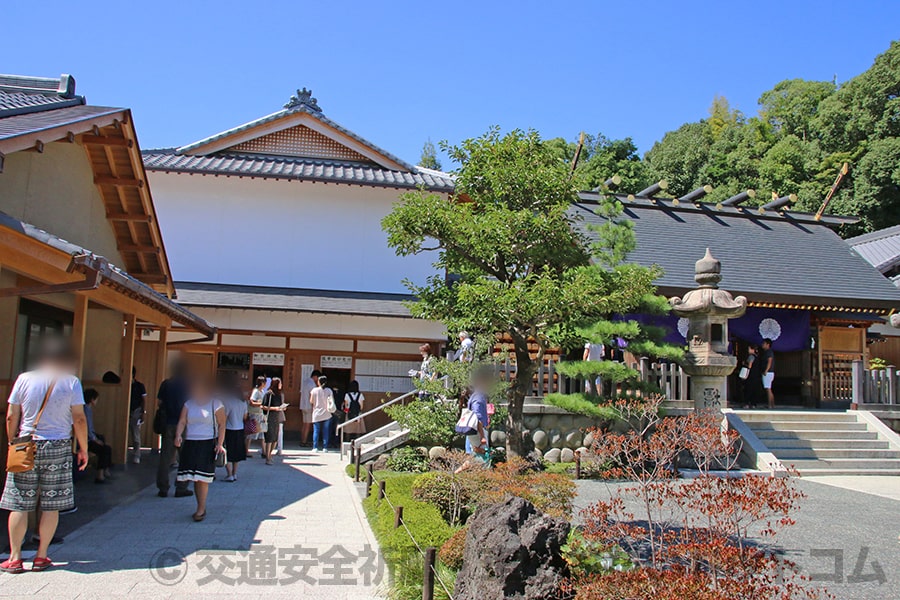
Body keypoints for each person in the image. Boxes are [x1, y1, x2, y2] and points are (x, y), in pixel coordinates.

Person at [1, 339, 88, 574]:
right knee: (51, 503)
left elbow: (11, 415)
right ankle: (41, 556)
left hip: (26, 444)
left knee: (19, 502)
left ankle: (15, 557)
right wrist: (83, 448)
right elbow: (78, 418)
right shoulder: (71, 382)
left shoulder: (24, 379)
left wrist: (12, 441)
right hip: (58, 445)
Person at [174, 378, 226, 522]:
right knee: (195, 477)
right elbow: (182, 421)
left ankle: (201, 509)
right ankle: (200, 506)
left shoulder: (216, 403)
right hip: (191, 442)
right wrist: (178, 435)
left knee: (202, 478)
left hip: (207, 443)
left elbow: (222, 424)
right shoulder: (188, 404)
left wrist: (220, 444)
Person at [156, 360, 192, 498]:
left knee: (165, 457)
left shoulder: (166, 384)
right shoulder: (187, 385)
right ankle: (181, 486)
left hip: (168, 422)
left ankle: (163, 487)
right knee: (185, 457)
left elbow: (159, 402)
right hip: (183, 423)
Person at [82, 388, 114, 484]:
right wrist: (95, 439)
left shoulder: (87, 409)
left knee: (103, 440)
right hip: (86, 439)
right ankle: (100, 474)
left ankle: (105, 468)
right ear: (92, 399)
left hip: (89, 436)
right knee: (105, 449)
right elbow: (87, 429)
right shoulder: (85, 410)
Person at [221, 379, 248, 482]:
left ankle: (229, 473)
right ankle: (235, 473)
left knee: (227, 452)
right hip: (240, 428)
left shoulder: (228, 402)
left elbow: (225, 416)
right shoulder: (243, 403)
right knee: (236, 453)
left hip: (229, 429)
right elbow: (245, 417)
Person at [261, 377, 285, 465]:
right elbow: (262, 406)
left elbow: (279, 405)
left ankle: (270, 454)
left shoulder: (279, 394)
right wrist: (274, 408)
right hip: (269, 417)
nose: (281, 385)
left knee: (275, 438)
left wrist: (282, 407)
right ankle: (267, 457)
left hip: (277, 417)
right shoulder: (268, 394)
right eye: (279, 383)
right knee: (269, 438)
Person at [309, 375, 335, 452]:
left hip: (316, 413)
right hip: (327, 413)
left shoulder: (314, 390)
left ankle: (315, 447)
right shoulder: (329, 390)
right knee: (326, 431)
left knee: (316, 431)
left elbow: (311, 401)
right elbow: (332, 401)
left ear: (319, 382)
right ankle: (325, 447)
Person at [129, 366, 147, 464]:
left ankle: (137, 455)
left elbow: (144, 400)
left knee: (136, 434)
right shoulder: (125, 385)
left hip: (136, 410)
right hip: (126, 410)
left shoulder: (140, 386)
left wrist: (143, 413)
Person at [246, 376, 267, 457]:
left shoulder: (262, 391)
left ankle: (264, 451)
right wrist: (261, 404)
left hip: (261, 414)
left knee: (262, 432)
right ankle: (246, 450)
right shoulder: (256, 391)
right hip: (255, 414)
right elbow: (251, 402)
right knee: (251, 432)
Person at [299, 369, 320, 447]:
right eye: (318, 378)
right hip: (308, 406)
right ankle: (304, 441)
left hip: (303, 405)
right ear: (315, 376)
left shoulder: (305, 382)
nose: (318, 380)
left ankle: (302, 440)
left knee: (304, 424)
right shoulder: (312, 385)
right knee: (307, 425)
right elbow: (313, 396)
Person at [740, 345, 763, 409]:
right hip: (756, 375)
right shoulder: (757, 357)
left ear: (752, 349)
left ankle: (746, 403)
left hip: (750, 375)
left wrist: (744, 364)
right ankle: (753, 404)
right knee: (754, 390)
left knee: (748, 389)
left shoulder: (751, 357)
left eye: (749, 349)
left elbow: (749, 366)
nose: (748, 350)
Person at [761, 338, 776, 409]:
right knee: (768, 388)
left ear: (768, 344)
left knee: (768, 389)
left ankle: (770, 404)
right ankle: (772, 404)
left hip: (768, 372)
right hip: (769, 372)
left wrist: (766, 370)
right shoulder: (766, 352)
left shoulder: (769, 352)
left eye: (764, 343)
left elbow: (769, 361)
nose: (762, 345)